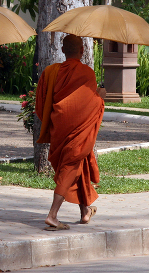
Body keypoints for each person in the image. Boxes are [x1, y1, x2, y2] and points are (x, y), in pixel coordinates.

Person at [35, 34, 106, 231]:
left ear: (62, 49)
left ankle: (85, 212)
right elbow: (89, 105)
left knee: (78, 164)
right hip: (78, 129)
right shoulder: (87, 73)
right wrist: (100, 98)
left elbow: (40, 104)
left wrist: (52, 123)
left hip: (60, 129)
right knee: (70, 167)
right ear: (82, 51)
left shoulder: (50, 72)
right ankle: (52, 215)